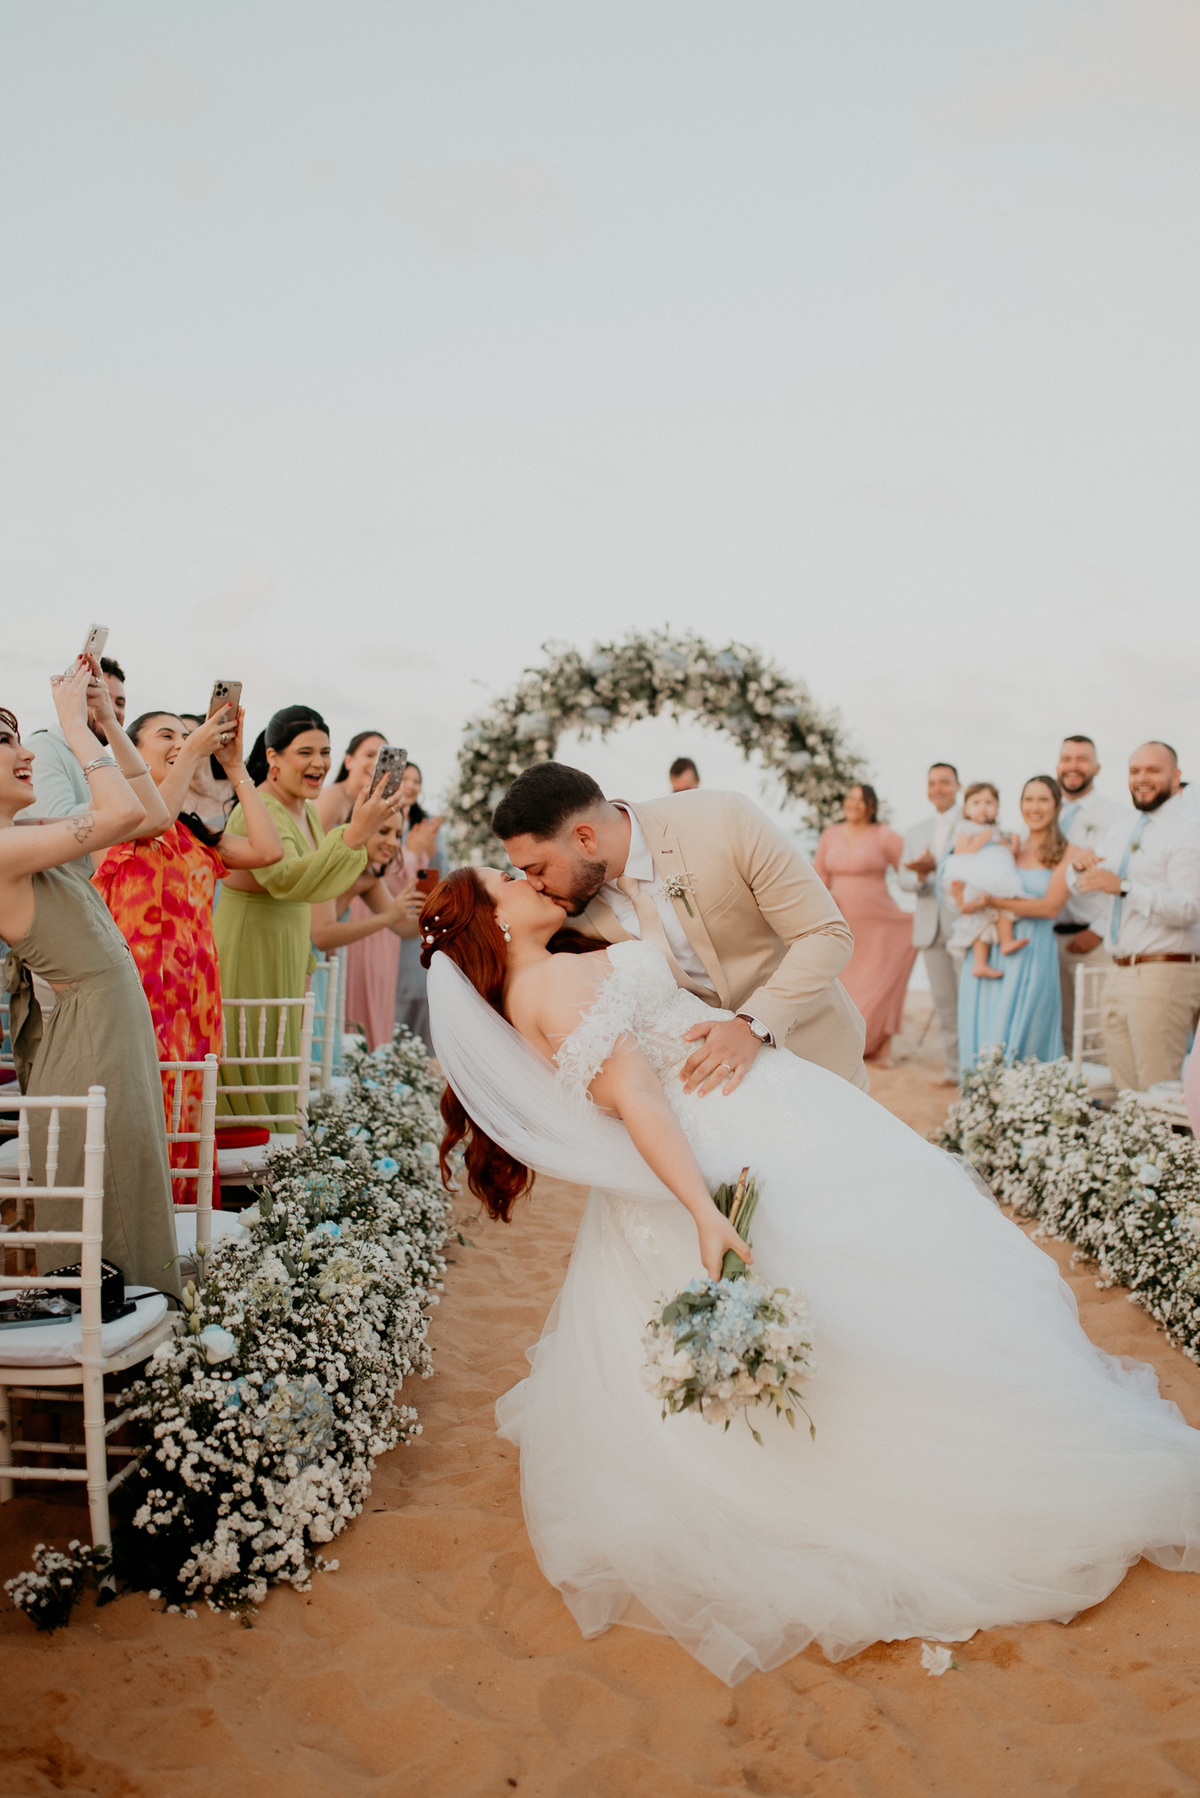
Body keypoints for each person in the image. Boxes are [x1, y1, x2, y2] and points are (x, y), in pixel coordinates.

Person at [418, 866, 1200, 1685]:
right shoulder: (553, 983)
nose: (525, 876)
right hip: (723, 1150)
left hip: (743, 1123)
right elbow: (641, 1096)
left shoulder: (556, 969)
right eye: (505, 879)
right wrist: (706, 1209)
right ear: (491, 923)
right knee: (869, 1288)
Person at [493, 761, 867, 1091]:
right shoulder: (564, 912)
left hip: (820, 1058)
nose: (534, 885)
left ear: (585, 838)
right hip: (719, 1099)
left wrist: (751, 1025)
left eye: (537, 869)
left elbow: (826, 933)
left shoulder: (722, 818)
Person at [0, 664, 179, 1294]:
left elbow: (149, 812)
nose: (25, 753)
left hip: (110, 1025)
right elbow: (118, 812)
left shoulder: (26, 835)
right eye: (6, 742)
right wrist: (74, 726)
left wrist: (106, 723)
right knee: (107, 1204)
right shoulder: (1, 851)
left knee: (130, 1182)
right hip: (86, 1040)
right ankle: (111, 1361)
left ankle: (143, 1342)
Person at [91, 706, 283, 1168]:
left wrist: (236, 767)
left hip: (195, 999)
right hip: (134, 994)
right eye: (165, 735)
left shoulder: (193, 835)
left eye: (185, 734)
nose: (181, 741)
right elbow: (153, 821)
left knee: (189, 1120)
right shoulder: (112, 818)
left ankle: (184, 1229)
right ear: (129, 753)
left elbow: (268, 850)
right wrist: (195, 749)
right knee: (139, 1111)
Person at [213, 705, 400, 1128]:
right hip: (250, 947)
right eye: (306, 752)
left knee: (280, 1061)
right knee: (252, 1056)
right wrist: (355, 834)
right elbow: (286, 880)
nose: (319, 763)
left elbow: (321, 885)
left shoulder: (309, 812)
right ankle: (245, 1161)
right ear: (274, 758)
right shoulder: (257, 808)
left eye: (325, 752)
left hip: (287, 949)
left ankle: (277, 1166)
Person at [1071, 743, 1200, 1092]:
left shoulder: (1188, 828)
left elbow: (1191, 908)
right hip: (1118, 970)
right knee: (1126, 1095)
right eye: (1134, 771)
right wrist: (1078, 868)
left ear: (1175, 776)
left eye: (1153, 770)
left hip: (1164, 971)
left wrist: (1125, 887)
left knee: (1160, 1092)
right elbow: (1090, 885)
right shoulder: (1123, 825)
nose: (1141, 778)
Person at [953, 777, 1071, 1072]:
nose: (1034, 807)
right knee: (982, 1031)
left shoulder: (1068, 852)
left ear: (1057, 805)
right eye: (1028, 799)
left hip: (1031, 950)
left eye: (1043, 799)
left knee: (1029, 1038)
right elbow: (962, 874)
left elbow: (1050, 907)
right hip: (988, 946)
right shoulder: (1007, 844)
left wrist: (993, 901)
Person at [812, 784, 915, 1065]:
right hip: (841, 921)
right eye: (850, 798)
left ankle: (883, 1044)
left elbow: (909, 872)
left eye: (861, 800)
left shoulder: (884, 835)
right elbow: (818, 875)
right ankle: (846, 1041)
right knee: (846, 981)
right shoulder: (830, 834)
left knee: (880, 980)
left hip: (879, 922)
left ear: (872, 806)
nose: (854, 804)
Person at [23, 656, 148, 873]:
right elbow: (63, 827)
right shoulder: (42, 747)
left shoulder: (103, 761)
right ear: (77, 697)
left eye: (120, 703)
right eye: (101, 697)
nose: (112, 709)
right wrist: (117, 795)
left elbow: (156, 818)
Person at [310, 813, 422, 1049]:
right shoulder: (332, 864)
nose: (393, 842)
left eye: (398, 835)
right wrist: (387, 917)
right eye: (384, 831)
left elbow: (402, 926)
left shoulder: (369, 878)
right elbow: (320, 936)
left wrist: (434, 915)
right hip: (302, 969)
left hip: (319, 972)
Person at [1053, 735, 1129, 1052]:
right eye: (1067, 758)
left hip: (1093, 941)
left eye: (1082, 759)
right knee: (1060, 1027)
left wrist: (1098, 930)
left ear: (1097, 766)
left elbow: (1126, 879)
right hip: (1048, 939)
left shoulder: (1118, 816)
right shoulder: (1043, 811)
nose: (1073, 766)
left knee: (1099, 1032)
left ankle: (1099, 1102)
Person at [898, 762, 962, 1084]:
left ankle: (977, 1069)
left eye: (945, 782)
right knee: (945, 1003)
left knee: (972, 1002)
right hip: (929, 928)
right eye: (933, 782)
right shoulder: (914, 831)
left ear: (958, 787)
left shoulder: (972, 823)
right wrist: (922, 874)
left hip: (966, 927)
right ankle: (954, 1069)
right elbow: (903, 880)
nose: (938, 788)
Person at [942, 783, 1029, 980]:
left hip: (996, 879)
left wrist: (1013, 848)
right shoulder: (966, 828)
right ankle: (980, 963)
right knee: (978, 919)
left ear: (997, 806)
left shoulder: (996, 830)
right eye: (976, 803)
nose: (983, 807)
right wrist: (980, 840)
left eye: (989, 802)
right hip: (974, 877)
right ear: (966, 808)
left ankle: (1006, 941)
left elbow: (1006, 852)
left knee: (1001, 909)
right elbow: (960, 852)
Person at [393, 763, 446, 1053]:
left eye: (417, 780)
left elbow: (441, 877)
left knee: (417, 988)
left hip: (417, 919)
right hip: (385, 918)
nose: (412, 785)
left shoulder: (427, 827)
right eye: (406, 779)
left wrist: (432, 853)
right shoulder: (383, 825)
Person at [315, 729, 387, 834]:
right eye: (370, 755)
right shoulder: (332, 797)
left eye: (383, 759)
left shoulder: (373, 804)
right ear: (348, 761)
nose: (377, 764)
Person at [177, 713, 236, 833]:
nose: (182, 745)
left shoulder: (238, 787)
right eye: (169, 737)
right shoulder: (174, 803)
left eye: (189, 737)